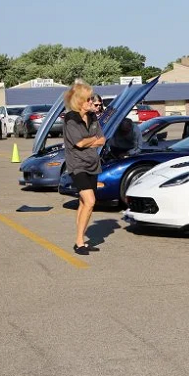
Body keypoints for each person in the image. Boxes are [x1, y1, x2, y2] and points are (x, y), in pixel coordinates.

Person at [63, 81, 106, 255]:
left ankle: (79, 239)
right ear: (79, 101)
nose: (92, 102)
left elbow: (102, 139)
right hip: (77, 165)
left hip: (93, 164)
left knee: (83, 203)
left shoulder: (93, 117)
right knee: (90, 202)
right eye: (88, 99)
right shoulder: (70, 119)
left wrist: (92, 140)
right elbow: (79, 143)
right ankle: (79, 242)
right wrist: (92, 140)